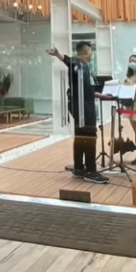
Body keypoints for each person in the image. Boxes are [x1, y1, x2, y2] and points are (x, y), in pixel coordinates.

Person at [46, 42, 108, 184]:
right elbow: (69, 61)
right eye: (91, 52)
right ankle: (90, 170)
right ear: (86, 52)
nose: (92, 55)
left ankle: (79, 168)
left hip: (84, 105)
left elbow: (88, 87)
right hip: (82, 107)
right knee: (89, 135)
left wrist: (98, 93)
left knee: (81, 135)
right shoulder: (78, 64)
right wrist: (58, 54)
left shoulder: (85, 67)